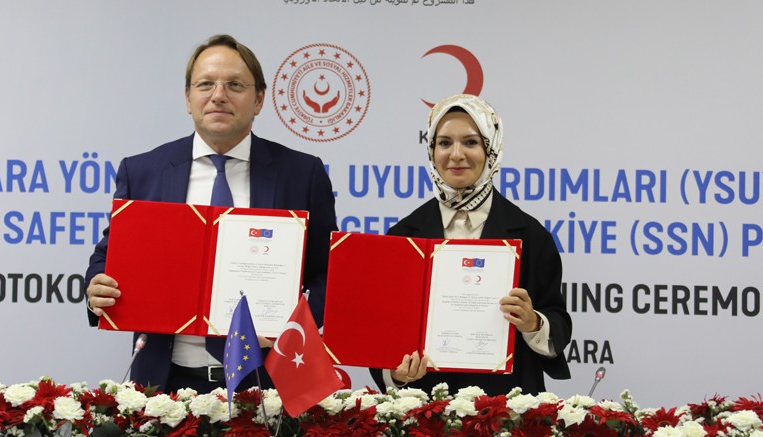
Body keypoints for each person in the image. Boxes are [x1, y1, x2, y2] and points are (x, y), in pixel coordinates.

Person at [84, 34, 337, 394]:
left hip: (268, 383)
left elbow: (327, 271)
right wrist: (97, 286)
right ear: (188, 98)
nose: (219, 95)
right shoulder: (143, 172)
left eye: (235, 85)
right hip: (163, 385)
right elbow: (107, 257)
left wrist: (294, 327)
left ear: (259, 99)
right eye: (205, 84)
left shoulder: (300, 174)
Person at [371, 94, 572, 395]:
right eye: (444, 143)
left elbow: (558, 324)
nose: (456, 155)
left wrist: (533, 323)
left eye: (470, 142)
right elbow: (382, 333)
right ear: (431, 150)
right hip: (425, 406)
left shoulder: (531, 236)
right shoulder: (402, 237)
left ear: (491, 149)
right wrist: (396, 374)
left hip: (507, 406)